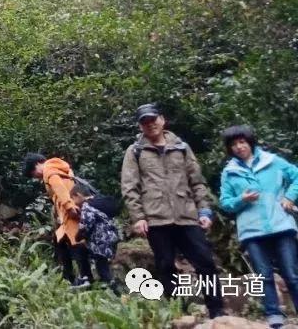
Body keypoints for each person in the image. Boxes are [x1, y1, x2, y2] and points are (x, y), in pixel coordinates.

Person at [120, 103, 224, 318]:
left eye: (153, 119)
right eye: (145, 122)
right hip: (156, 218)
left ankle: (217, 312)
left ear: (162, 119)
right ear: (140, 126)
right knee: (165, 265)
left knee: (205, 262)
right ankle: (179, 313)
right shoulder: (135, 151)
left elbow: (197, 181)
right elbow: (130, 186)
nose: (150, 124)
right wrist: (138, 217)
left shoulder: (181, 147)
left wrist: (204, 210)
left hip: (186, 216)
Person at [218, 125, 298, 329]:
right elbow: (225, 203)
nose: (239, 147)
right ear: (229, 148)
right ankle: (273, 314)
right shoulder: (229, 172)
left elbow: (296, 176)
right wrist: (242, 199)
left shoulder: (273, 161)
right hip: (251, 231)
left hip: (281, 224)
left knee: (291, 273)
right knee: (263, 275)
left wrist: (290, 197)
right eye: (234, 144)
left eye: (242, 142)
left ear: (250, 142)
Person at [23, 152, 94, 287]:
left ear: (37, 164)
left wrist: (69, 206)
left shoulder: (49, 170)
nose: (36, 177)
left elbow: (60, 188)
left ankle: (86, 278)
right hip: (70, 211)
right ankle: (70, 277)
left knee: (76, 242)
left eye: (33, 173)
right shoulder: (62, 168)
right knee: (60, 242)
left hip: (70, 211)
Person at [72, 184, 120, 292]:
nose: (74, 203)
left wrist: (78, 236)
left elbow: (86, 225)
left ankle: (115, 291)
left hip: (100, 241)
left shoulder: (86, 206)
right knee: (102, 263)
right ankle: (106, 286)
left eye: (73, 199)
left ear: (78, 195)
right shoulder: (99, 202)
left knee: (102, 268)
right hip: (111, 238)